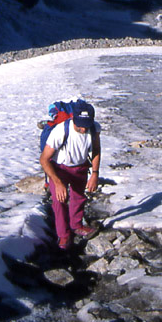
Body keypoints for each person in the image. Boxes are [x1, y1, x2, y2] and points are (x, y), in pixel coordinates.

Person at [40, 103, 101, 249]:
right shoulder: (60, 131)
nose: (83, 129)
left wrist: (95, 174)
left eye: (86, 125)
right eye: (80, 125)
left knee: (78, 196)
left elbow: (96, 150)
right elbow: (44, 159)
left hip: (80, 167)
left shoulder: (94, 128)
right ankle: (63, 235)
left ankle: (76, 225)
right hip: (59, 168)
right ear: (74, 118)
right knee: (59, 200)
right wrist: (57, 182)